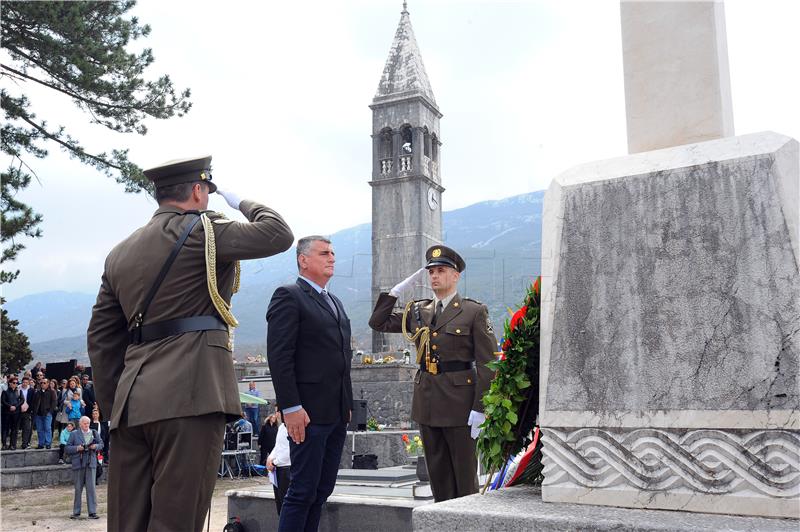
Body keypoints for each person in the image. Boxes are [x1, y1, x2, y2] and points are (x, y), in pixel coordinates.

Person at [87, 155, 293, 532]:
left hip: (132, 404)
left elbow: (101, 338)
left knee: (127, 521)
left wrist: (116, 405)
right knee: (176, 520)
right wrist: (240, 200)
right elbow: (278, 233)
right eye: (208, 191)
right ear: (198, 190)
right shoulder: (206, 232)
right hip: (193, 394)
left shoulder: (120, 253)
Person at [369, 245, 497, 502]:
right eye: (431, 272)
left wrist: (481, 407)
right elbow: (378, 322)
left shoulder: (473, 311)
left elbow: (488, 364)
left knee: (464, 479)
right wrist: (395, 292)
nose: (435, 276)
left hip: (461, 405)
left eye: (441, 270)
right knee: (438, 478)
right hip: (427, 401)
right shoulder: (418, 311)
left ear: (456, 275)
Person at [267, 235, 353, 532]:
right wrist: (290, 406)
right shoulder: (289, 295)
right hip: (307, 414)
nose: (332, 258)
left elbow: (342, 357)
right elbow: (280, 356)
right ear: (303, 260)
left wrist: (347, 403)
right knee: (301, 491)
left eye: (332, 253)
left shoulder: (335, 301)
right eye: (324, 253)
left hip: (335, 413)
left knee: (321, 491)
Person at [65, 415, 103, 519]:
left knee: (91, 488)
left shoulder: (94, 433)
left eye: (88, 423)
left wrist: (95, 446)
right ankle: (76, 512)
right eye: (85, 423)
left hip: (91, 463)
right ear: (80, 424)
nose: (87, 425)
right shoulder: (74, 434)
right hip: (78, 463)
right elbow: (67, 448)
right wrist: (77, 448)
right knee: (78, 489)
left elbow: (101, 444)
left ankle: (92, 512)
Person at [266, 409, 291, 515]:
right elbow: (278, 447)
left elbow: (289, 450)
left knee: (286, 501)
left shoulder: (291, 427)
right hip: (277, 469)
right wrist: (270, 459)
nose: (276, 414)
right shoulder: (281, 427)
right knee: (279, 502)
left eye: (278, 411)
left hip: (287, 468)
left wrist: (275, 462)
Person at [32, 377, 57, 449]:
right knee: (40, 429)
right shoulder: (38, 392)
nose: (42, 384)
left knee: (47, 428)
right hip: (38, 414)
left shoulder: (52, 391)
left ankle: (48, 443)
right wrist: (34, 411)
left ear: (48, 384)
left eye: (44, 383)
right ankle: (41, 444)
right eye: (41, 383)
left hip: (47, 414)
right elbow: (34, 402)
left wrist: (50, 412)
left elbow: (54, 402)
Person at [1, 377, 23, 449]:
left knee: (14, 429)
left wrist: (15, 406)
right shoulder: (5, 392)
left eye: (16, 383)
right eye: (14, 383)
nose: (15, 384)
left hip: (16, 413)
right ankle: (4, 445)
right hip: (6, 413)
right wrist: (10, 406)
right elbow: (3, 401)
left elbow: (22, 400)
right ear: (10, 383)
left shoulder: (19, 391)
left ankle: (12, 445)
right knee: (5, 429)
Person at [17, 376, 34, 448]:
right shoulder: (17, 389)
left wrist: (29, 408)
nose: (25, 384)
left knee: (26, 428)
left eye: (26, 382)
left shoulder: (31, 390)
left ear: (28, 383)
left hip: (27, 411)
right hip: (18, 411)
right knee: (15, 427)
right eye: (23, 382)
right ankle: (13, 444)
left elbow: (33, 400)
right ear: (22, 382)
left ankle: (25, 443)